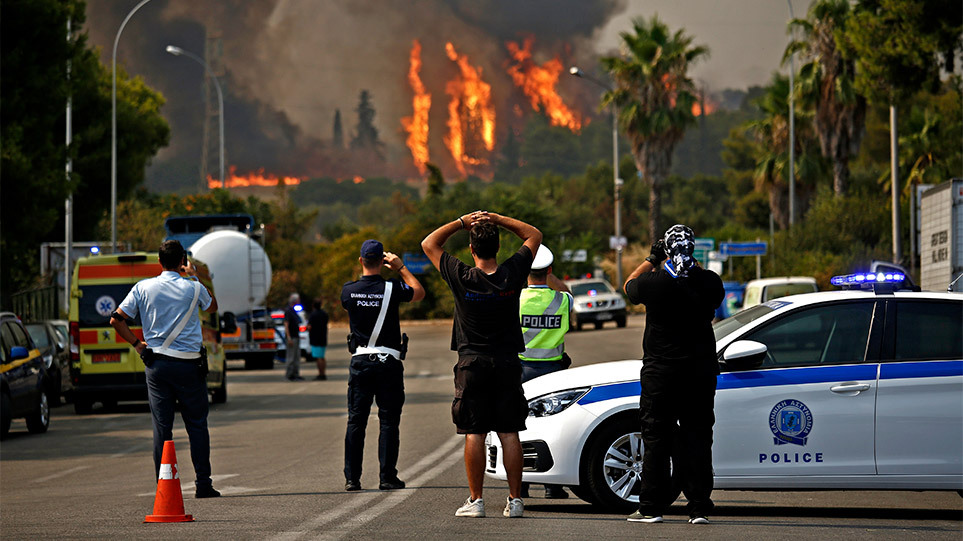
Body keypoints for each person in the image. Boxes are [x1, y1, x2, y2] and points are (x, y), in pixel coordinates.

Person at [421, 210, 542, 519]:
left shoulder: (462, 276)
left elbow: (429, 243)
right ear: (498, 247)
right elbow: (533, 235)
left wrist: (463, 222)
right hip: (506, 362)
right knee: (509, 431)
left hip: (471, 362)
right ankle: (515, 500)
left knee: (474, 431)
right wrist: (499, 219)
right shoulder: (512, 273)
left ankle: (476, 500)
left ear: (472, 250)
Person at [621, 224, 724, 525]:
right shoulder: (709, 282)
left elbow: (629, 285)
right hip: (700, 373)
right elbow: (707, 289)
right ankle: (699, 507)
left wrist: (653, 258)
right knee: (699, 438)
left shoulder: (653, 283)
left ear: (666, 250)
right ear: (693, 249)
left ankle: (651, 507)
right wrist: (691, 264)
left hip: (661, 373)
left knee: (656, 438)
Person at [109, 239, 221, 499]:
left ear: (158, 262)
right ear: (183, 261)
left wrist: (138, 345)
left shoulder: (143, 288)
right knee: (197, 425)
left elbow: (116, 319)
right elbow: (212, 307)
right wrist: (193, 276)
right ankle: (203, 484)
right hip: (190, 365)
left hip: (157, 364)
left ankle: (164, 487)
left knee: (162, 427)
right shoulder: (193, 288)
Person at [341, 239, 425, 492]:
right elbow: (419, 292)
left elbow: (351, 304)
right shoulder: (393, 287)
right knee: (388, 421)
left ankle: (352, 479)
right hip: (388, 361)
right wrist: (400, 267)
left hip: (360, 361)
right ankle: (387, 477)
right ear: (382, 261)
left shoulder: (348, 290)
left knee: (356, 421)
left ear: (361, 261)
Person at [517, 244, 573, 500]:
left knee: (518, 426)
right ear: (549, 270)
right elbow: (567, 291)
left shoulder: (516, 299)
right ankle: (553, 486)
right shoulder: (562, 300)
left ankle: (522, 485)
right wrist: (550, 275)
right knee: (551, 425)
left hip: (520, 370)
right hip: (553, 370)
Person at [306, 298, 329, 380]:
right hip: (323, 337)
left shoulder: (312, 315)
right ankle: (323, 373)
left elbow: (309, 326)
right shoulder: (324, 314)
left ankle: (321, 374)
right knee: (322, 356)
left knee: (318, 357)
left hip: (315, 338)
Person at [284, 293, 304, 381]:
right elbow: (286, 325)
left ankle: (296, 373)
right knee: (291, 357)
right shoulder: (288, 311)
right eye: (298, 299)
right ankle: (290, 374)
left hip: (296, 336)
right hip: (292, 337)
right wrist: (289, 338)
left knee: (296, 356)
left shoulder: (293, 311)